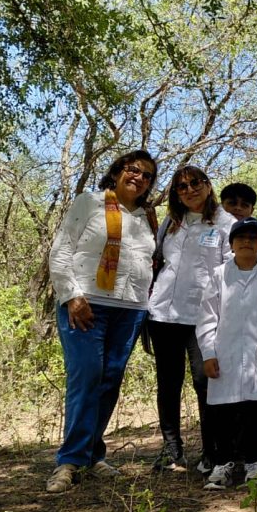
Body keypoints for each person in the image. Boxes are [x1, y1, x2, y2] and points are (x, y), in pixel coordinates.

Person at [46, 150, 160, 493]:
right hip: (87, 303)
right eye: (132, 169)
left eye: (147, 175)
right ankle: (69, 461)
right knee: (87, 374)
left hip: (131, 309)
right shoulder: (90, 203)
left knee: (110, 378)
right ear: (117, 173)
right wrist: (72, 295)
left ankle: (92, 454)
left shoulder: (147, 217)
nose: (138, 177)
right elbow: (61, 250)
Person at [148, 165, 236, 473]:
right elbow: (157, 262)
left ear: (208, 185)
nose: (189, 190)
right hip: (162, 314)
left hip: (204, 316)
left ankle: (212, 451)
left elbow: (234, 271)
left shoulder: (227, 223)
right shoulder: (171, 223)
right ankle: (172, 450)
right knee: (168, 383)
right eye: (181, 187)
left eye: (195, 183)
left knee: (205, 381)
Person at [196, 217, 257, 490]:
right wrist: (208, 353)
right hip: (224, 355)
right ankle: (222, 464)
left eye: (254, 238)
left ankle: (254, 464)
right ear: (232, 244)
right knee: (224, 412)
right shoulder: (219, 274)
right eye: (241, 238)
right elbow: (207, 317)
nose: (247, 242)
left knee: (256, 412)